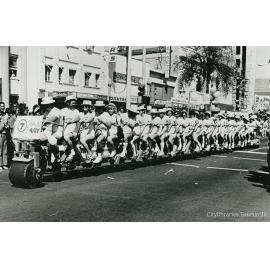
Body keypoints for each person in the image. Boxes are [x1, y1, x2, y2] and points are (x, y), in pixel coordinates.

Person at [39, 96, 62, 170]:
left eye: (47, 105)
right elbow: (41, 119)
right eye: (45, 105)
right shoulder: (46, 112)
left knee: (51, 142)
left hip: (57, 131)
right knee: (36, 139)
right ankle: (43, 157)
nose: (45, 106)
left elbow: (53, 118)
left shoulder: (56, 111)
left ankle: (57, 157)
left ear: (51, 104)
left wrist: (44, 121)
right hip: (47, 131)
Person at [61, 95, 80, 161]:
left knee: (67, 137)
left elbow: (77, 120)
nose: (74, 104)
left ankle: (72, 151)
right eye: (72, 103)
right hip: (65, 128)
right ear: (68, 103)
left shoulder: (76, 111)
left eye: (75, 103)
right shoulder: (63, 110)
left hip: (73, 129)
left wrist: (70, 121)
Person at [0, 102, 9, 170]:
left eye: (3, 106)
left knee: (5, 150)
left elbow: (7, 124)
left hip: (5, 133)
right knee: (0, 150)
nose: (2, 107)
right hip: (0, 133)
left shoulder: (6, 115)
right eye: (1, 106)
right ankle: (0, 164)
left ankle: (5, 164)